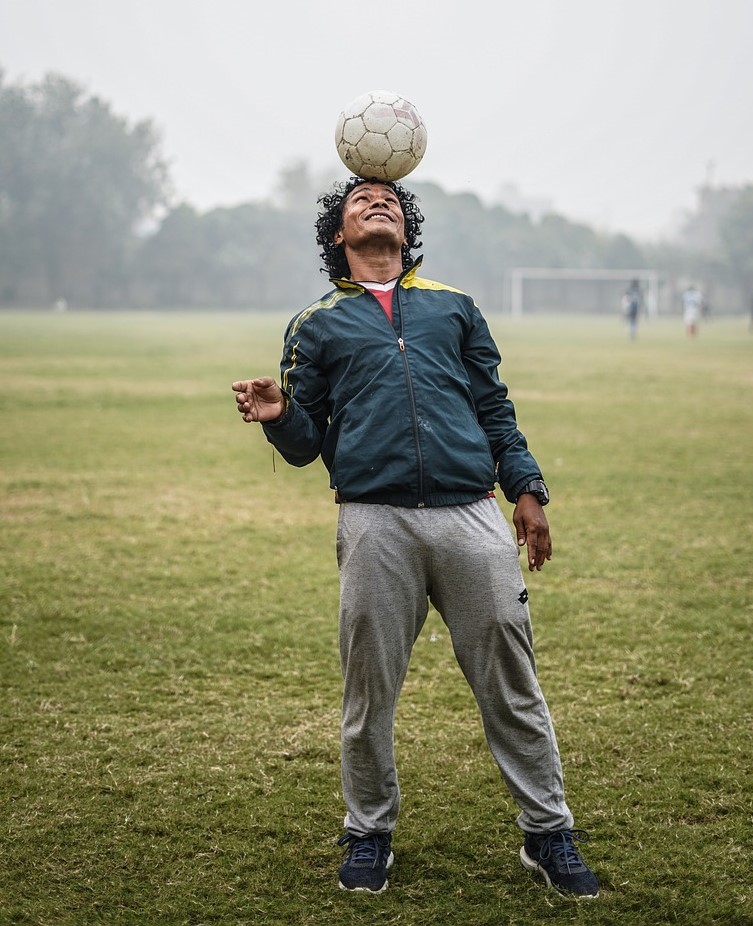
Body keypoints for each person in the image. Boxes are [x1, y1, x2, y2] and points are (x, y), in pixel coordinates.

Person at [232, 177, 599, 899]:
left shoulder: (454, 307)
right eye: (361, 199)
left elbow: (495, 407)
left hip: (472, 514)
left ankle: (548, 832)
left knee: (512, 680)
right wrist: (278, 414)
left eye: (391, 199)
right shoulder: (318, 324)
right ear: (337, 234)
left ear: (408, 228)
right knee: (368, 689)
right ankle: (368, 833)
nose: (379, 202)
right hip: (374, 521)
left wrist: (526, 490)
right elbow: (307, 445)